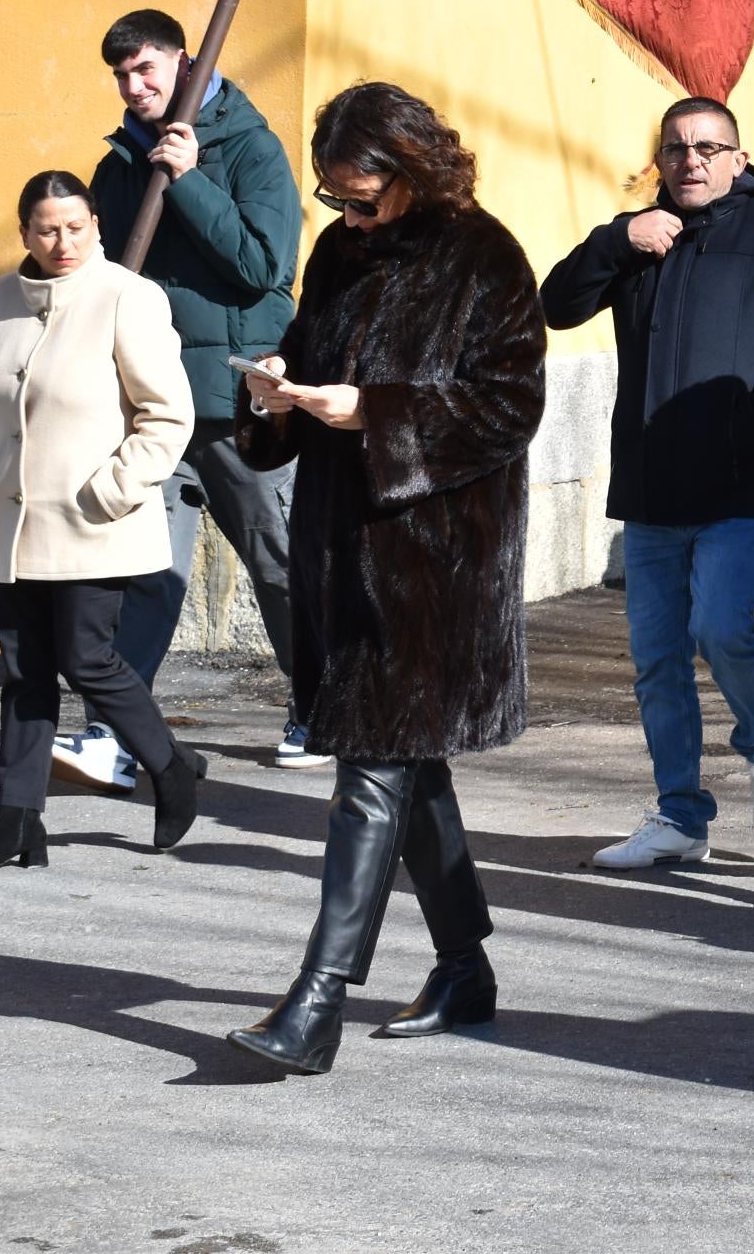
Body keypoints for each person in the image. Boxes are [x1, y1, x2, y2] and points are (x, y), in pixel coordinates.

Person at [224, 83, 545, 1076]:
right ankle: (465, 965)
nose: (347, 215)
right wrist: (280, 394)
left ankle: (317, 999)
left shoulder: (484, 257)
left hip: (436, 561)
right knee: (411, 765)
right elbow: (318, 361)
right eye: (336, 200)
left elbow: (509, 405)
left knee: (372, 764)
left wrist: (377, 413)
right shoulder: (344, 252)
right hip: (340, 547)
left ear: (412, 169)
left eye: (362, 197)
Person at [543, 97, 754, 868]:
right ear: (660, 161)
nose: (692, 160)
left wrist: (751, 427)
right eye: (676, 148)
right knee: (657, 655)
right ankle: (680, 815)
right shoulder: (640, 239)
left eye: (709, 147)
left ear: (739, 160)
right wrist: (616, 240)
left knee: (721, 626)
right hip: (649, 484)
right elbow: (556, 305)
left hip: (735, 480)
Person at [60, 7, 311, 792]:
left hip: (232, 402)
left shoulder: (251, 148)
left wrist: (193, 179)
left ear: (184, 62)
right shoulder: (122, 162)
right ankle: (116, 733)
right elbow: (99, 272)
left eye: (147, 71)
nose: (134, 88)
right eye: (122, 76)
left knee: (279, 562)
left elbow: (262, 269)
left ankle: (322, 707)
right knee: (144, 573)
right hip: (146, 401)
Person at [0, 170, 201, 871]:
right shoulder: (0, 297)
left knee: (88, 658)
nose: (63, 242)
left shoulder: (126, 297)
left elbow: (168, 415)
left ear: (96, 226)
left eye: (77, 227)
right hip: (10, 526)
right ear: (24, 231)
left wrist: (114, 491)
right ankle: (15, 821)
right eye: (47, 229)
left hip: (94, 523)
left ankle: (171, 766)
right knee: (25, 670)